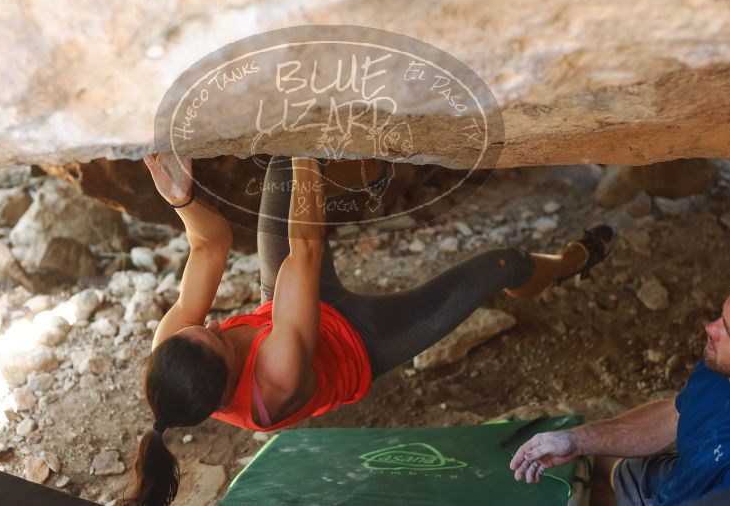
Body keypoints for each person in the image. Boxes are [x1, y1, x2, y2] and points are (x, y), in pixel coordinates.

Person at [125, 153, 613, 506]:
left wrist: (182, 198)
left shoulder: (173, 350)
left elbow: (211, 245)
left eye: (204, 327)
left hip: (288, 306)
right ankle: (574, 261)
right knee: (503, 264)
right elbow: (305, 252)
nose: (212, 322)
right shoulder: (275, 381)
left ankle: (376, 170)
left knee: (281, 175)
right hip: (365, 338)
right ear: (228, 382)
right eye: (217, 336)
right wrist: (305, 147)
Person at [509, 293, 730, 506]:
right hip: (676, 480)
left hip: (689, 494)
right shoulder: (720, 366)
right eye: (721, 316)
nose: (710, 327)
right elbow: (676, 417)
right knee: (590, 469)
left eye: (728, 330)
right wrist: (575, 441)